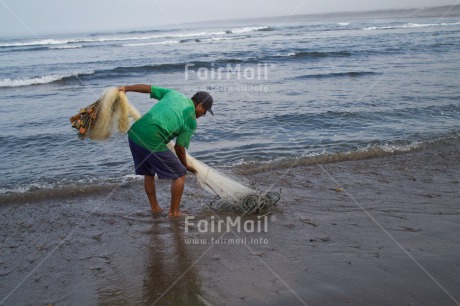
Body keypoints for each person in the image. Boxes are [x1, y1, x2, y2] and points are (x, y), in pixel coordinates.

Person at [117, 84, 214, 218]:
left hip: (134, 134)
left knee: (148, 173)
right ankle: (174, 213)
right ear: (200, 106)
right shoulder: (191, 120)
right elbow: (179, 148)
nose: (203, 115)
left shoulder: (174, 94)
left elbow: (148, 88)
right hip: (151, 139)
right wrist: (185, 166)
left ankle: (155, 208)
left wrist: (126, 88)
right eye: (205, 111)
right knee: (180, 173)